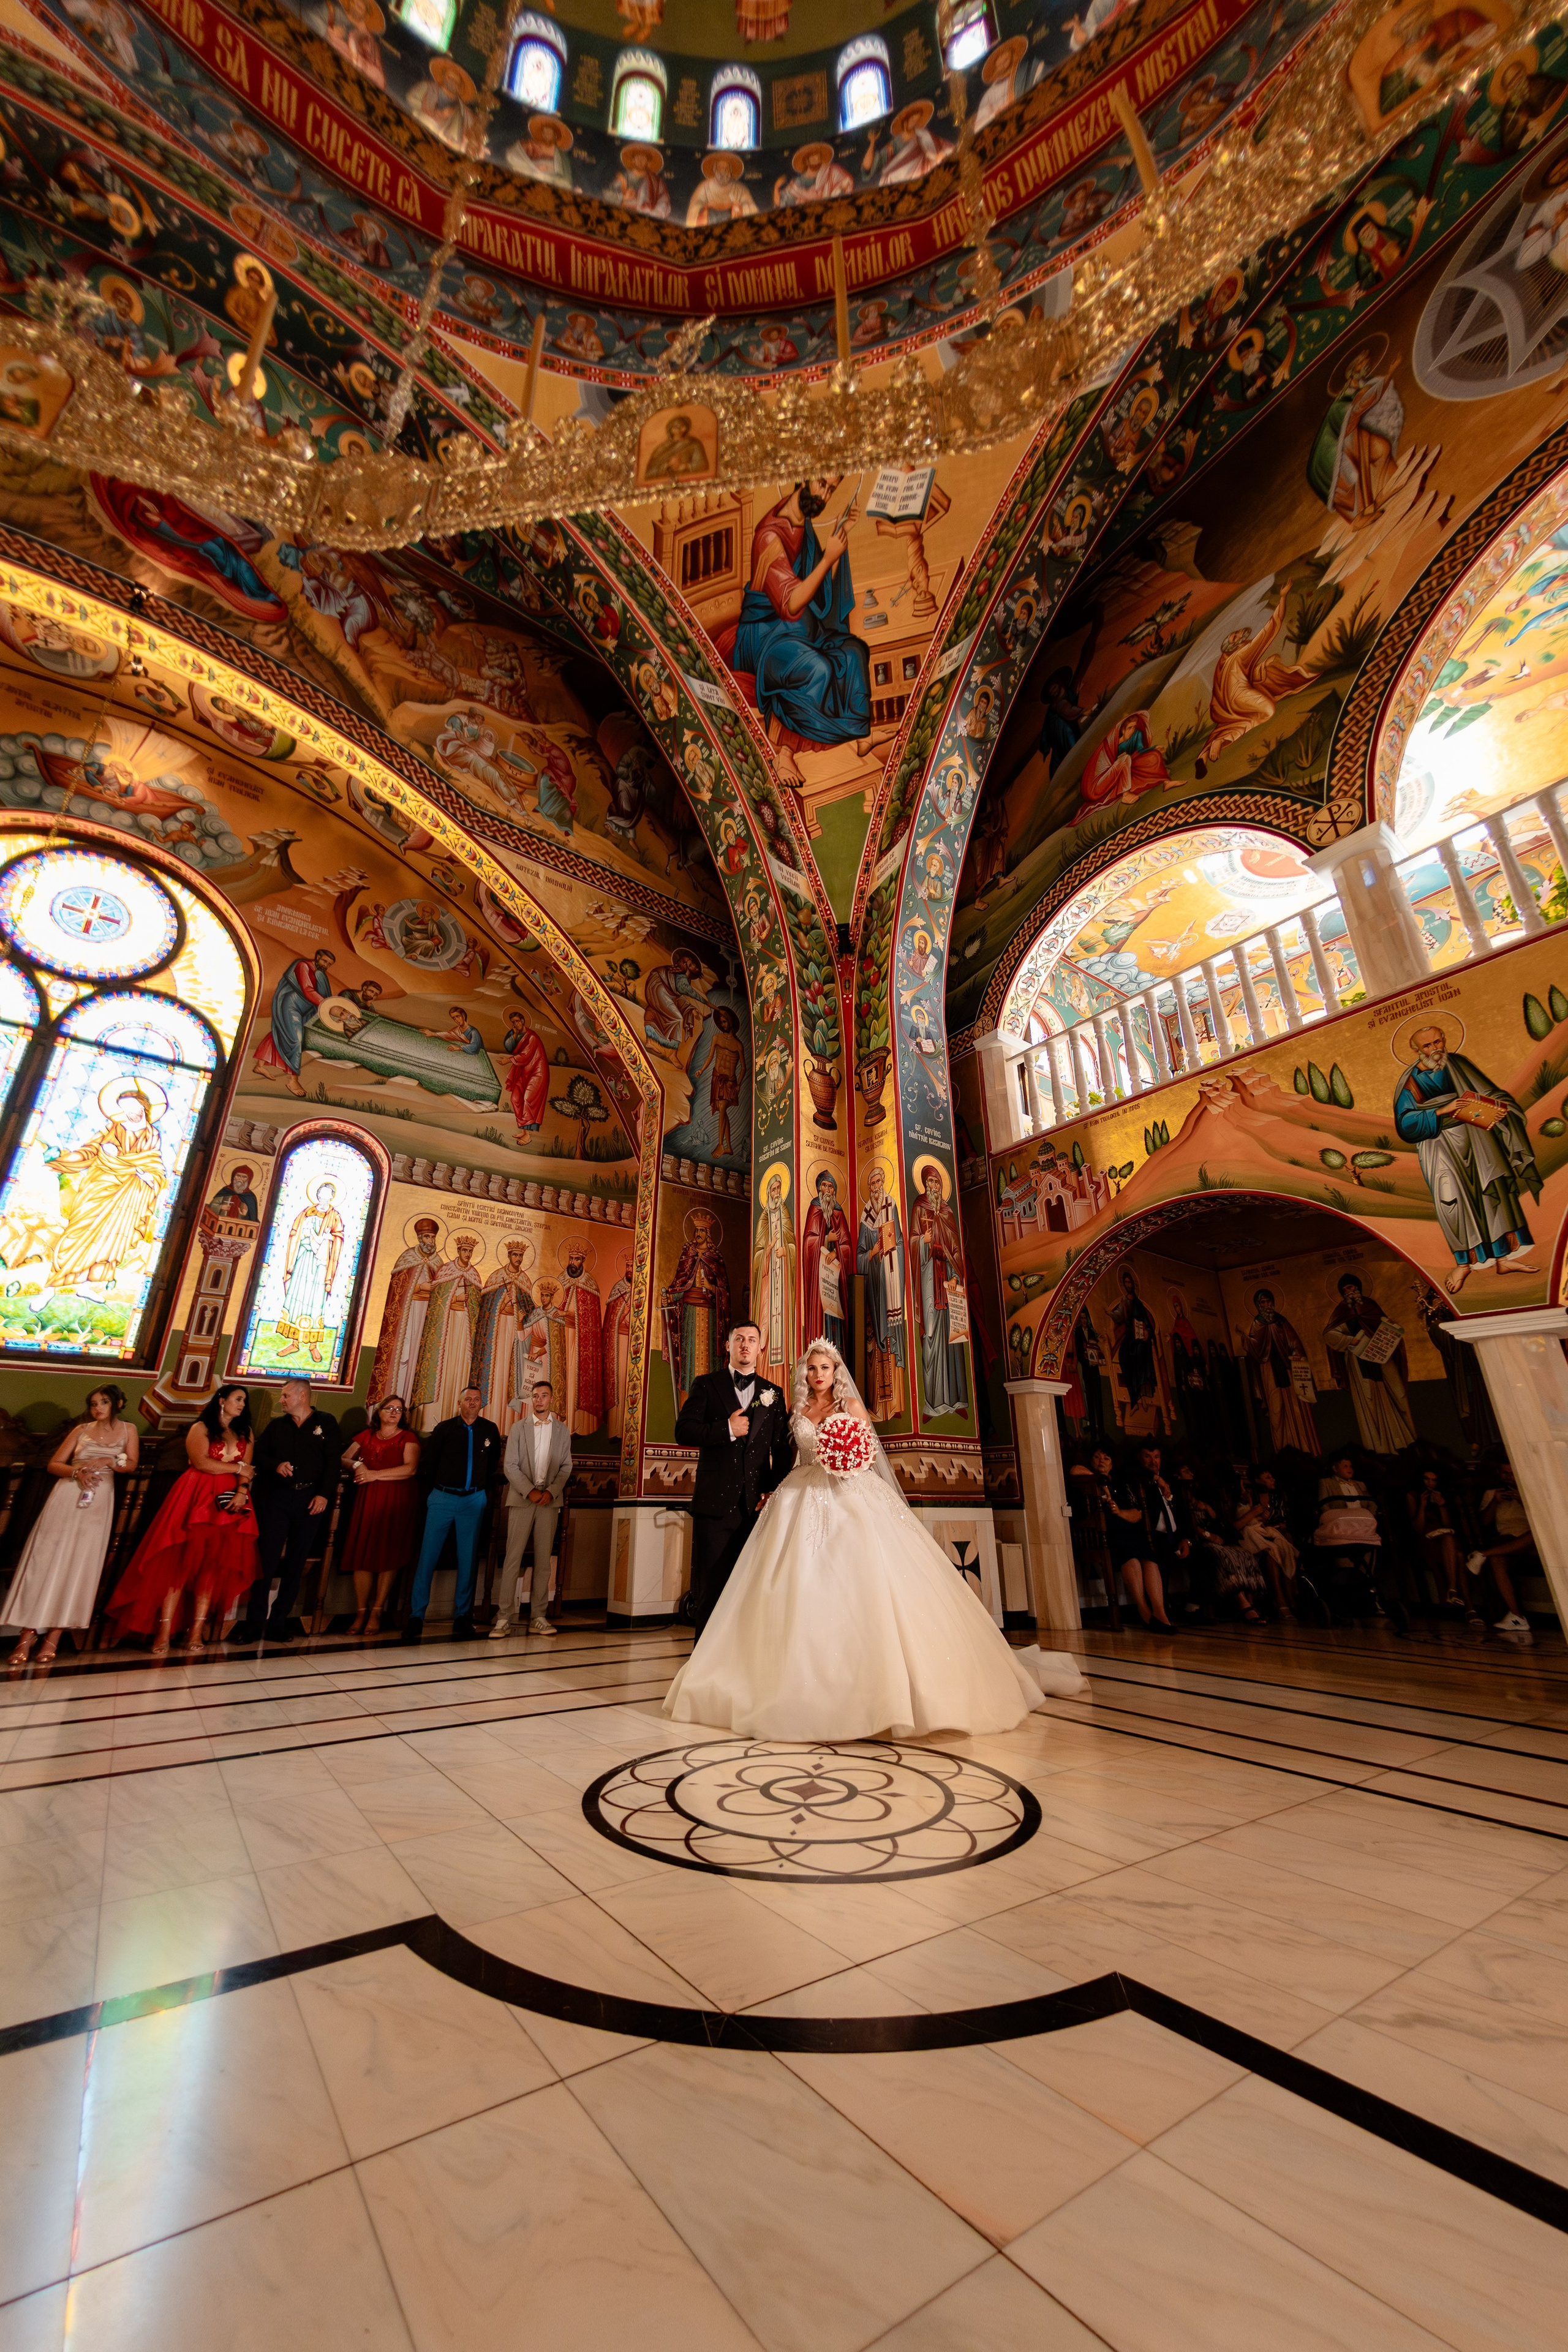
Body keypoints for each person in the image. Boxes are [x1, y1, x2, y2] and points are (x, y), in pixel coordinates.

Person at [663, 1341, 1085, 1738]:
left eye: (824, 1367)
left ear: (835, 1370)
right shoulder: (799, 1407)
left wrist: (844, 1460)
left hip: (850, 1491)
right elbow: (787, 1452)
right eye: (811, 1368)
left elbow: (865, 1449)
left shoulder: (849, 1405)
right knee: (789, 1580)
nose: (817, 1374)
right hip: (800, 1492)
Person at [104, 1387, 257, 1655]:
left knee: (213, 1568)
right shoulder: (201, 1428)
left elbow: (249, 1468)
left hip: (230, 1499)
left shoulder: (246, 1433)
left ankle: (196, 1631)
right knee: (177, 1565)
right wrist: (238, 1468)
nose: (242, 1404)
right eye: (238, 1399)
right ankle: (163, 1631)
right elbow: (201, 1462)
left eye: (244, 1401)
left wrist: (243, 1490)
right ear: (222, 1401)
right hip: (196, 1496)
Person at [673, 1321, 793, 1636]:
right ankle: (703, 1665)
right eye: (739, 1339)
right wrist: (725, 1429)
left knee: (751, 1589)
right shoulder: (706, 1384)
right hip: (714, 1506)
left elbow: (782, 1449)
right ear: (728, 1345)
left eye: (752, 1340)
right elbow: (683, 1431)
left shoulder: (773, 1394)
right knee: (711, 1589)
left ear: (760, 1348)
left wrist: (772, 1491)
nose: (745, 1345)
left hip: (755, 1508)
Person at [6, 1386, 137, 1668]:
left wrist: (109, 1461)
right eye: (93, 1404)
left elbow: (132, 1464)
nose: (98, 1408)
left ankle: (54, 1635)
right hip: (67, 1494)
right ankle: (26, 1636)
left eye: (104, 1402)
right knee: (45, 1560)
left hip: (100, 1500)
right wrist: (77, 1471)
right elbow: (55, 1465)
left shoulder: (129, 1430)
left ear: (119, 1404)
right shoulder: (81, 1430)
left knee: (80, 1563)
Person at [231, 1379, 342, 1642]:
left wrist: (324, 1495)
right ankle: (254, 1623)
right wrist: (276, 1465)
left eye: (285, 1396)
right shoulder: (276, 1426)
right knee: (266, 1561)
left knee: (296, 1562)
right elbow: (259, 1456)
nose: (281, 1400)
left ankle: (279, 1622)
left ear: (302, 1396)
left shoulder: (326, 1422)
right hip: (277, 1499)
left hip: (310, 1500)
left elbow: (333, 1462)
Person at [404, 1385, 501, 1643]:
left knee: (468, 1560)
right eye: (467, 1399)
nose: (472, 1403)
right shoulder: (445, 1429)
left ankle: (462, 1617)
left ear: (482, 1404)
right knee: (428, 1557)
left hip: (474, 1500)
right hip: (443, 1498)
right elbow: (431, 1464)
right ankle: (416, 1616)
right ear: (459, 1403)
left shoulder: (489, 1430)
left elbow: (492, 1464)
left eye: (476, 1399)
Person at [492, 1379, 571, 1638]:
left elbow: (566, 1467)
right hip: (522, 1499)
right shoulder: (518, 1428)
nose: (539, 1400)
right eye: (535, 1396)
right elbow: (510, 1466)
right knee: (513, 1558)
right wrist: (531, 1491)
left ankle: (538, 1616)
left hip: (549, 1501)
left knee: (543, 1561)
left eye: (544, 1396)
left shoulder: (562, 1430)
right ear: (532, 1400)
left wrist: (550, 1492)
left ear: (551, 1399)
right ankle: (504, 1617)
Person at [339, 1395, 420, 1636]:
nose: (395, 1412)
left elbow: (410, 1468)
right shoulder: (366, 1435)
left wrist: (374, 1475)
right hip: (367, 1500)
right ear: (379, 1412)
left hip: (396, 1500)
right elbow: (344, 1458)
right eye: (390, 1408)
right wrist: (357, 1466)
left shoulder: (409, 1437)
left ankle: (377, 1610)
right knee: (362, 1553)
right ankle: (361, 1611)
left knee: (388, 1554)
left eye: (399, 1409)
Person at [1477, 1461, 1535, 1642]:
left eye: (1512, 1473)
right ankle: (1517, 1617)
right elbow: (1485, 1522)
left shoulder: (1531, 1491)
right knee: (1497, 1560)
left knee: (1535, 1533)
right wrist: (1495, 1502)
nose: (1509, 1477)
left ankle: (1483, 1554)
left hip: (1531, 1541)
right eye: (1505, 1473)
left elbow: (1543, 1520)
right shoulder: (1491, 1493)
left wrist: (1523, 1500)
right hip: (1507, 1540)